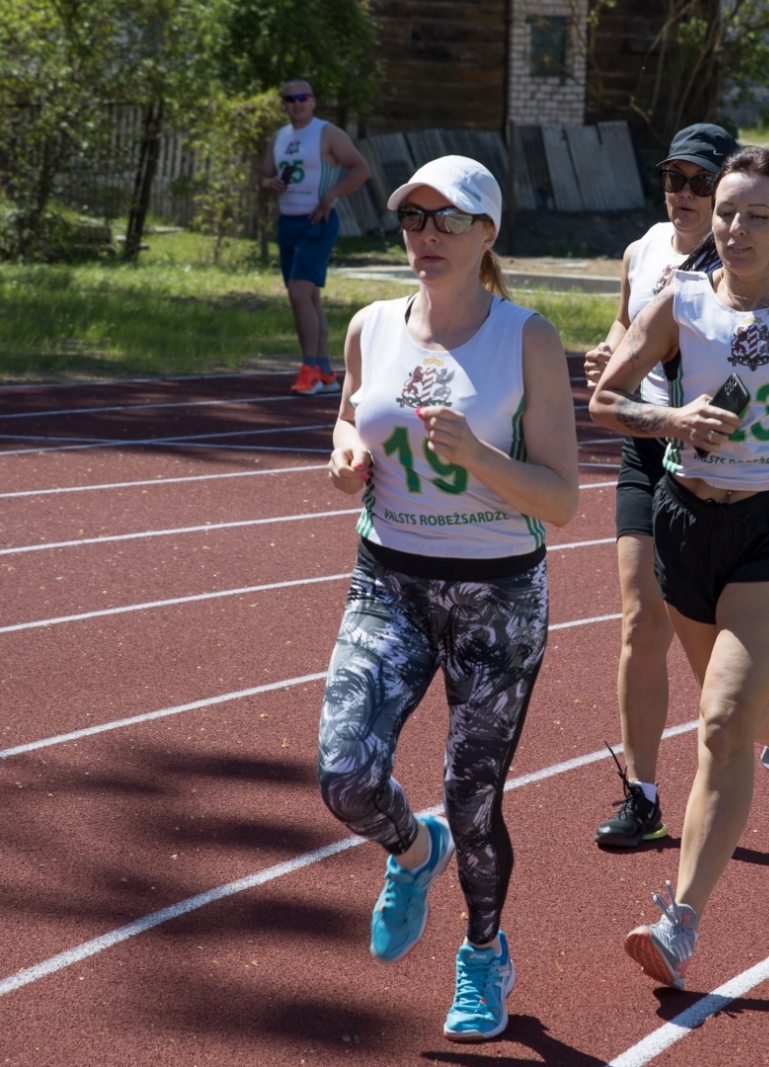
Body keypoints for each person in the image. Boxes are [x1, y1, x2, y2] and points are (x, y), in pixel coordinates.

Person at [589, 146, 769, 990]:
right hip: (688, 522)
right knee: (742, 714)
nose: (736, 228)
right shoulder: (678, 303)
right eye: (725, 212)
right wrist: (672, 418)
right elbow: (606, 398)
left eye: (757, 215)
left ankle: (678, 924)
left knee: (719, 721)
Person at [317, 155, 577, 1041]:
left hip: (496, 595)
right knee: (344, 773)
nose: (425, 235)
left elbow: (562, 499)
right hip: (388, 580)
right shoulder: (370, 325)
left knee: (473, 798)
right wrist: (345, 451)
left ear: (487, 233)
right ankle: (411, 848)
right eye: (412, 218)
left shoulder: (527, 338)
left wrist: (480, 457)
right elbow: (349, 414)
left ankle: (483, 951)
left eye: (447, 219)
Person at [581, 124, 769, 851]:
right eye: (675, 179)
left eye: (701, 181)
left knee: (723, 691)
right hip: (657, 448)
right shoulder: (642, 252)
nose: (685, 194)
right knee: (641, 619)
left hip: (753, 479)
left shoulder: (751, 263)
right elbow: (623, 333)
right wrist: (610, 355)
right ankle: (643, 794)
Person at [258, 78, 373, 396]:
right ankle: (324, 371)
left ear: (313, 101)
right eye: (290, 98)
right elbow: (263, 176)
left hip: (317, 222)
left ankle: (308, 370)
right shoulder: (280, 137)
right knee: (308, 298)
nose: (297, 103)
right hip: (288, 222)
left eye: (302, 97)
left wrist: (330, 196)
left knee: (298, 293)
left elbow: (361, 169)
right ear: (283, 104)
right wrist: (270, 184)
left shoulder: (327, 133)